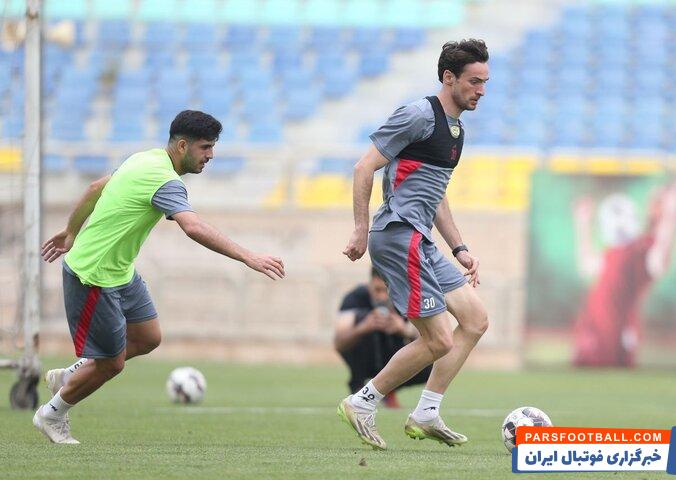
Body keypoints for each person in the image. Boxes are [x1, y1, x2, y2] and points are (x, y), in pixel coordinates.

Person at [34, 110, 285, 444]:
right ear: (182, 146)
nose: (211, 155)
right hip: (93, 275)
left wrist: (71, 231)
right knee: (112, 364)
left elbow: (96, 188)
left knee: (148, 337)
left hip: (120, 272)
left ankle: (71, 374)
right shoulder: (166, 181)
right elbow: (193, 227)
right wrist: (249, 257)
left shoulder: (145, 158)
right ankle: (51, 414)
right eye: (205, 147)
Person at [338, 39, 490, 450]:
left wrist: (459, 248)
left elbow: (435, 194)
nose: (481, 90)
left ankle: (426, 411)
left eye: (485, 82)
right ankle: (362, 401)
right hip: (398, 234)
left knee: (475, 319)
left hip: (420, 238)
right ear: (449, 77)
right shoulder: (419, 114)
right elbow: (364, 167)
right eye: (474, 81)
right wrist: (359, 229)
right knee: (439, 339)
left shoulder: (456, 130)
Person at [572, 179, 676, 367]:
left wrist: (672, 215)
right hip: (593, 326)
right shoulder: (627, 246)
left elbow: (660, 261)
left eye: (659, 202)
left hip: (614, 334)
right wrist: (582, 224)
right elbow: (588, 266)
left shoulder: (646, 251)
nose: (653, 205)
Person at [334, 268, 431, 408]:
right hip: (365, 358)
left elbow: (428, 337)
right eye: (377, 290)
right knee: (358, 323)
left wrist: (403, 329)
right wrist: (363, 327)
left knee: (432, 356)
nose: (382, 297)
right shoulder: (355, 297)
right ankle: (359, 387)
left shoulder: (406, 297)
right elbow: (339, 343)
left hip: (394, 355)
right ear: (369, 285)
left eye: (386, 291)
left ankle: (388, 387)